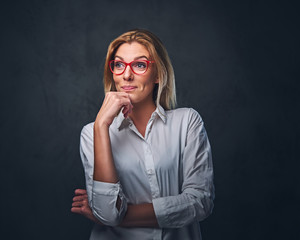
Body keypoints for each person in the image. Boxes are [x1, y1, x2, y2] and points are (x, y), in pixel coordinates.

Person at [71, 29, 214, 240]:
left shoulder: (187, 122)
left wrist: (119, 216)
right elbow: (108, 211)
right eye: (119, 65)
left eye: (139, 65)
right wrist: (101, 126)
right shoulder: (91, 133)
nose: (127, 75)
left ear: (158, 74)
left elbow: (200, 202)